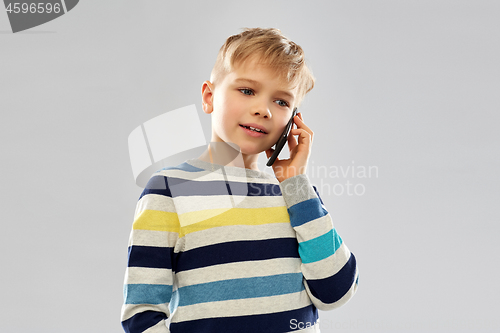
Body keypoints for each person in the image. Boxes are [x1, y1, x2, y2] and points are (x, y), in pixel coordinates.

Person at [121, 27, 359, 333]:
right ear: (209, 97)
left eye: (282, 102)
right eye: (247, 91)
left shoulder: (298, 195)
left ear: (294, 122)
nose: (262, 110)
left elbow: (335, 292)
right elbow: (141, 314)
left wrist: (296, 183)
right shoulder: (168, 191)